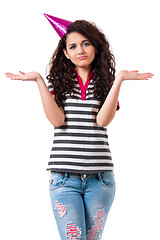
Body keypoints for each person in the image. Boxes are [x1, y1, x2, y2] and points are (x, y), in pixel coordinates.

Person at [5, 14, 153, 240]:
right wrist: (39, 82)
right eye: (72, 46)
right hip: (64, 179)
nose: (80, 50)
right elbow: (57, 121)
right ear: (65, 53)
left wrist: (119, 79)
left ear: (95, 46)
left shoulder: (105, 82)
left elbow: (103, 121)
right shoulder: (60, 82)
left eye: (85, 43)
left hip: (101, 179)